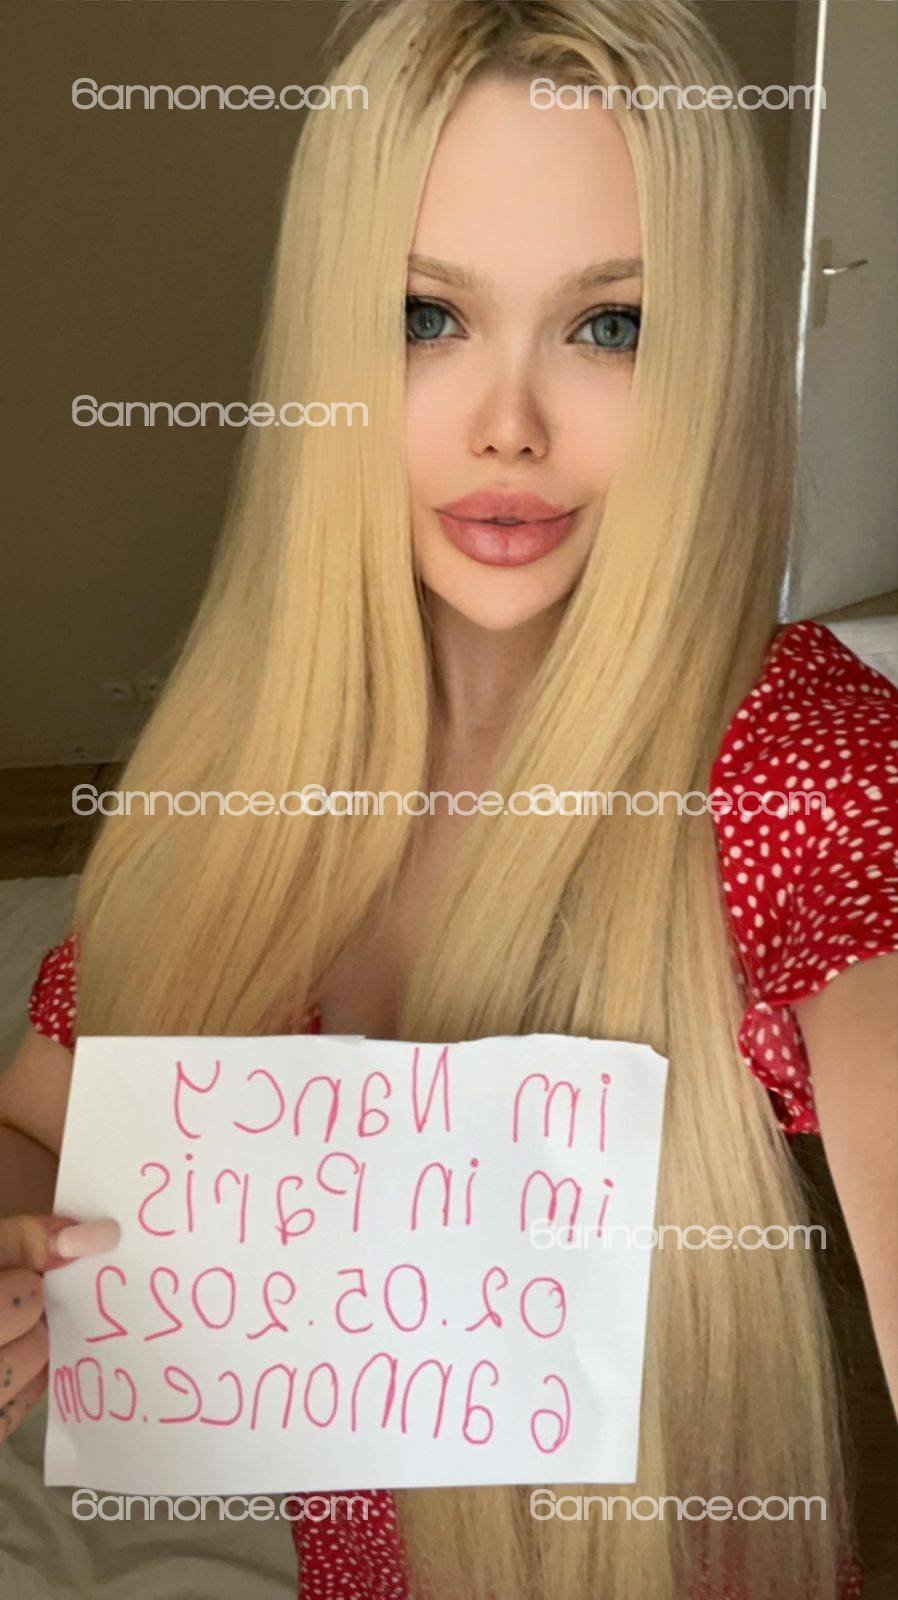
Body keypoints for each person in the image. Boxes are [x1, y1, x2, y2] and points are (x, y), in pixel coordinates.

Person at [2, 2, 896, 1597]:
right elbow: (37, 1126)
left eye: (611, 326)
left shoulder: (800, 769)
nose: (507, 424)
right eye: (424, 316)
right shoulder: (230, 776)